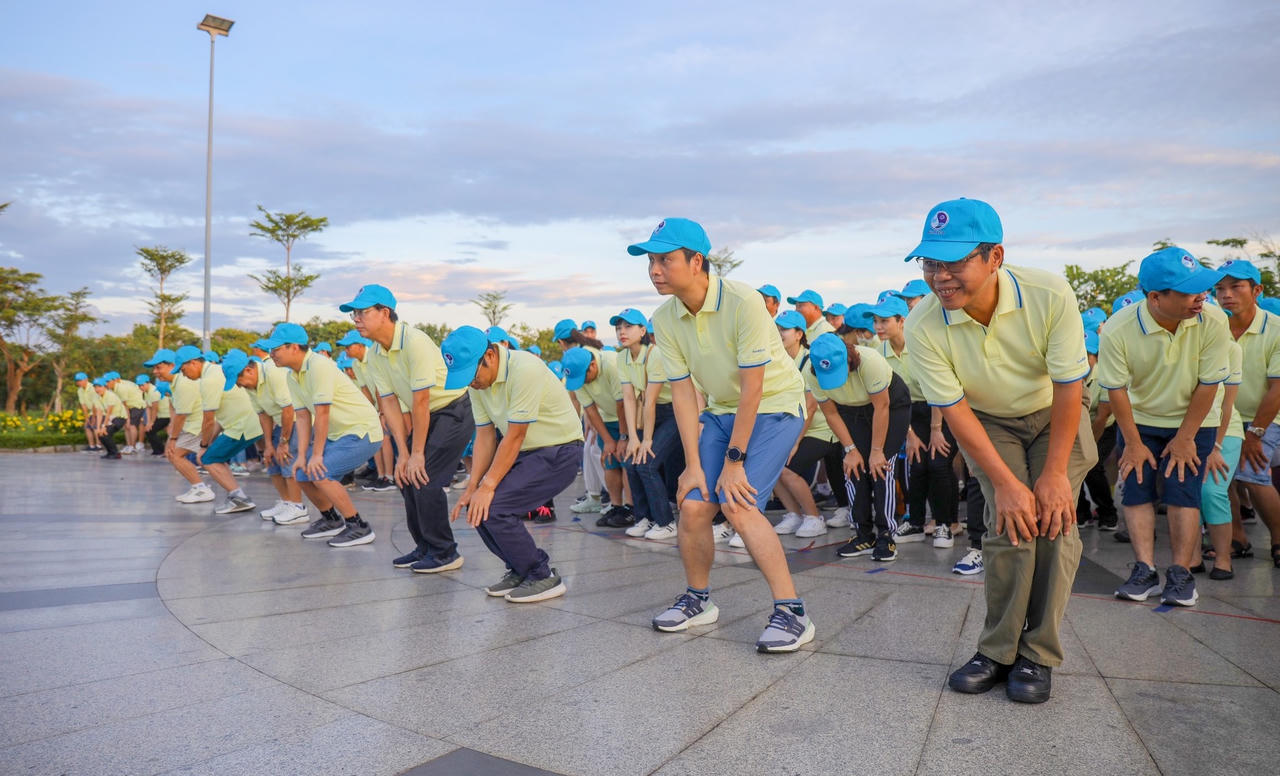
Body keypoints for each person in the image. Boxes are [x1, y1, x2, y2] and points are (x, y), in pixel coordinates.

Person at [904, 198, 1096, 704]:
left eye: (954, 263)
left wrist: (1054, 473)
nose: (940, 277)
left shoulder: (1048, 293)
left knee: (1055, 521)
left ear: (995, 257)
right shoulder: (923, 325)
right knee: (1011, 523)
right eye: (930, 263)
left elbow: (1069, 386)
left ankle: (1037, 654)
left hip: (1056, 413)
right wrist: (1008, 486)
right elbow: (957, 410)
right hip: (991, 424)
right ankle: (997, 650)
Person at [631, 217, 814, 653]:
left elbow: (754, 387)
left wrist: (733, 463)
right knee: (693, 506)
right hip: (721, 411)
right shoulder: (665, 317)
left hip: (774, 406)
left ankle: (793, 613)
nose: (655, 269)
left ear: (697, 262)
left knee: (739, 501)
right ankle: (698, 600)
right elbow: (682, 394)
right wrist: (694, 465)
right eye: (651, 260)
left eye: (665, 259)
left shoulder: (742, 301)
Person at [1098, 247, 1230, 607]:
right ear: (1156, 298)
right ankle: (1144, 570)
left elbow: (1209, 383)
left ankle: (1181, 574)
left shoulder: (1213, 321)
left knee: (1183, 491)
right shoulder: (1119, 328)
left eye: (1202, 288)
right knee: (1136, 488)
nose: (1201, 296)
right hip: (1139, 420)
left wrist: (1186, 438)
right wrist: (1134, 443)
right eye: (1190, 291)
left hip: (1195, 420)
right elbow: (1115, 389)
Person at [443, 326, 583, 602]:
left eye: (472, 374)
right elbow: (484, 435)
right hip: (526, 452)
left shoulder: (525, 368)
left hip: (560, 449)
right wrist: (474, 486)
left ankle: (542, 575)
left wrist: (489, 484)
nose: (471, 382)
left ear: (491, 355)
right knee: (478, 507)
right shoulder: (479, 385)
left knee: (496, 507)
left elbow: (516, 434)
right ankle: (519, 569)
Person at [345, 284, 475, 574]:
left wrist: (416, 454)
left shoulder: (414, 341)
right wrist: (403, 454)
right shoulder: (377, 353)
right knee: (404, 477)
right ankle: (425, 546)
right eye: (354, 313)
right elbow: (389, 403)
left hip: (453, 410)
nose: (356, 319)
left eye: (363, 312)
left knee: (424, 478)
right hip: (426, 415)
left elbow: (421, 399)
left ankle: (445, 552)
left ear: (385, 312)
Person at [265, 322, 384, 548]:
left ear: (294, 348)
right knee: (301, 472)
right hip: (340, 435)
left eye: (276, 349)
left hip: (362, 430)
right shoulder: (293, 375)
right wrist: (301, 456)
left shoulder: (319, 366)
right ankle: (331, 520)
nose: (272, 354)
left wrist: (316, 455)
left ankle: (358, 526)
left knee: (320, 472)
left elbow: (322, 414)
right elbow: (302, 417)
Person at [808, 331, 911, 560]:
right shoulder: (812, 372)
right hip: (850, 410)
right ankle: (863, 534)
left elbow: (881, 407)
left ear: (848, 357)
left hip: (890, 407)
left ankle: (886, 534)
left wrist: (876, 451)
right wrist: (850, 450)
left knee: (881, 466)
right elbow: (831, 413)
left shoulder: (870, 361)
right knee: (854, 467)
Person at [872, 294, 960, 548]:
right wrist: (909, 434)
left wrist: (936, 430)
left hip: (941, 407)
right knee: (917, 465)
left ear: (902, 321)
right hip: (908, 413)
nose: (878, 327)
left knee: (938, 464)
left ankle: (944, 524)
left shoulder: (921, 344)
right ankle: (917, 523)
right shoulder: (880, 353)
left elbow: (938, 389)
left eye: (884, 320)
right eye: (876, 321)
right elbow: (891, 399)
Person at [1213, 259, 1280, 570]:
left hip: (1269, 419)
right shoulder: (1214, 326)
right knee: (1218, 473)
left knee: (1251, 472)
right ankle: (1237, 538)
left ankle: (1278, 539)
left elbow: (1276, 389)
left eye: (1236, 286)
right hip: (1226, 418)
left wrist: (1255, 433)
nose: (1227, 294)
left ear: (1257, 290)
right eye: (1220, 288)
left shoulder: (1276, 328)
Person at [771, 310, 847, 539]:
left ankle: (814, 518)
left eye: (783, 329)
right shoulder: (779, 360)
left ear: (798, 334)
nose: (778, 334)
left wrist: (794, 442)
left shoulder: (809, 360)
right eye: (776, 330)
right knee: (771, 466)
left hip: (822, 428)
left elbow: (811, 407)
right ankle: (794, 514)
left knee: (788, 468)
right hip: (793, 427)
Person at [612, 307, 682, 541]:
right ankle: (645, 518)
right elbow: (629, 399)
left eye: (628, 327)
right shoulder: (621, 356)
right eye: (618, 327)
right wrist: (633, 438)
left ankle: (667, 523)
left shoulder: (656, 354)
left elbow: (650, 401)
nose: (622, 331)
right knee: (631, 461)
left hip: (674, 412)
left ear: (643, 330)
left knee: (647, 462)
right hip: (648, 413)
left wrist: (647, 440)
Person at [226, 349, 309, 525]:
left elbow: (289, 409)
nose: (239, 386)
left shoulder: (274, 374)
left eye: (238, 380)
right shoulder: (252, 385)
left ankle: (298, 508)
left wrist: (284, 442)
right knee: (271, 461)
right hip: (282, 422)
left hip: (300, 419)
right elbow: (263, 414)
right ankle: (286, 502)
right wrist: (269, 446)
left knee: (287, 459)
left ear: (249, 370)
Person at [178, 348, 262, 514]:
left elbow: (208, 420)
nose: (184, 375)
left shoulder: (208, 380)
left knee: (209, 459)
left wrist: (203, 446)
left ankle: (239, 499)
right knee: (216, 456)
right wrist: (208, 443)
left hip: (242, 426)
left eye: (183, 370)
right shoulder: (219, 370)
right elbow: (218, 418)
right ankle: (239, 497)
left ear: (193, 363)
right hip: (248, 422)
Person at [562, 345, 632, 527]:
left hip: (630, 417)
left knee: (626, 462)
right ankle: (616, 506)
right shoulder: (580, 378)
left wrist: (624, 438)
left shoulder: (611, 364)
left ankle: (630, 509)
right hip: (607, 419)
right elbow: (590, 409)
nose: (582, 383)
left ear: (592, 365)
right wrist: (608, 441)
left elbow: (622, 403)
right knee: (609, 462)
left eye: (583, 378)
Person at [147, 348, 213, 503]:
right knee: (179, 455)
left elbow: (181, 414)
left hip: (196, 425)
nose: (155, 372)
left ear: (171, 365)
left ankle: (201, 488)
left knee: (174, 454)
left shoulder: (183, 383)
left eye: (158, 367)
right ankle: (199, 487)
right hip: (194, 424)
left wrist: (173, 438)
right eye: (154, 369)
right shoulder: (177, 382)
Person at [338, 329, 397, 492]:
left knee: (386, 439)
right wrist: (371, 412)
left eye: (348, 346)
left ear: (360, 345)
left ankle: (390, 477)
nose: (346, 350)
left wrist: (382, 412)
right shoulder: (357, 364)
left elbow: (380, 388)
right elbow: (365, 389)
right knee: (377, 438)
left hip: (391, 404)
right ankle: (380, 476)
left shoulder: (372, 357)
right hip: (378, 406)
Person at [1076, 331, 1119, 531]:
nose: (1083, 359)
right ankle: (1080, 513)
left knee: (1092, 466)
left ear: (1096, 356)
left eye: (1088, 355)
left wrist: (1088, 448)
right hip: (1076, 425)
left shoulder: (1104, 375)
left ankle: (1108, 513)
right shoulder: (1068, 372)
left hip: (1104, 427)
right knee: (1071, 467)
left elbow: (1102, 417)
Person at [107, 372, 146, 453]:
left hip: (136, 405)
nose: (106, 383)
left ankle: (133, 447)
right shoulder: (113, 387)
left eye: (108, 381)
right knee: (126, 426)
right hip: (129, 406)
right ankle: (129, 446)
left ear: (114, 380)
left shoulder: (121, 388)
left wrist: (127, 419)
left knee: (131, 425)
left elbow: (125, 406)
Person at [92, 378, 127, 459]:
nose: (97, 389)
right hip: (111, 418)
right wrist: (98, 428)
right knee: (100, 435)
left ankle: (116, 454)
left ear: (105, 387)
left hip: (119, 418)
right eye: (95, 387)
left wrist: (103, 426)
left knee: (106, 432)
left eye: (99, 387)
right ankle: (110, 453)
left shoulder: (110, 395)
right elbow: (99, 413)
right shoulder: (97, 397)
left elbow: (108, 413)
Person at [137, 374, 167, 455]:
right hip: (160, 415)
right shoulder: (146, 392)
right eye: (139, 386)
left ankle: (161, 450)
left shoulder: (153, 391)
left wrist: (151, 422)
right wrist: (148, 422)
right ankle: (157, 450)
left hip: (166, 415)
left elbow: (155, 409)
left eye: (142, 385)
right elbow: (148, 408)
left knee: (151, 430)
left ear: (148, 383)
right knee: (148, 429)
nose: (141, 387)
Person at [74, 372, 102, 452]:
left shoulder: (93, 388)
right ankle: (92, 446)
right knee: (87, 426)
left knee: (96, 426)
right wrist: (87, 418)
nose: (79, 382)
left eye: (80, 380)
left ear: (86, 380)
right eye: (77, 381)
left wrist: (93, 417)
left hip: (100, 409)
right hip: (91, 411)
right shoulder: (79, 390)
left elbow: (95, 403)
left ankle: (99, 446)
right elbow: (83, 405)